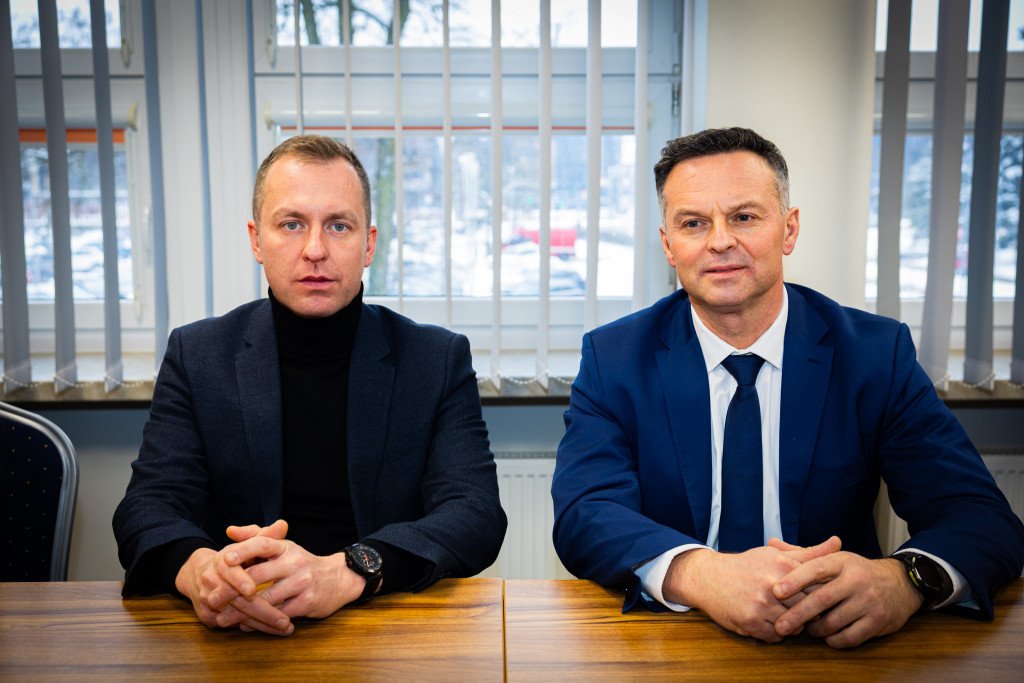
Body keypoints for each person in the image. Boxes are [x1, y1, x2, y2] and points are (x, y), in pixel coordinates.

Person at [551, 127, 1024, 649]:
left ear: (789, 230)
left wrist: (905, 580)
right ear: (669, 245)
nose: (720, 240)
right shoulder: (615, 359)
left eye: (744, 217)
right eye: (693, 223)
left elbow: (980, 517)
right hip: (676, 637)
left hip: (835, 643)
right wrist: (702, 574)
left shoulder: (874, 355)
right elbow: (585, 513)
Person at [114, 134, 506, 636]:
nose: (315, 250)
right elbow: (147, 506)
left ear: (369, 244)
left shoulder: (435, 359)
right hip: (235, 623)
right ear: (257, 240)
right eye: (291, 224)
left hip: (385, 626)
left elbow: (475, 513)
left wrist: (348, 570)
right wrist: (202, 573)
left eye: (339, 226)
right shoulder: (199, 354)